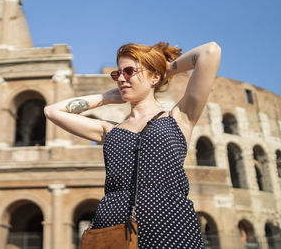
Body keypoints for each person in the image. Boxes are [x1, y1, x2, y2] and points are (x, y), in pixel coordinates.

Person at [44, 41, 221, 248]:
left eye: (129, 71)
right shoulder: (109, 130)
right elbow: (52, 111)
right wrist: (107, 97)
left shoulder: (180, 117)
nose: (121, 78)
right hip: (114, 229)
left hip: (172, 228)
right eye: (116, 73)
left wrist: (163, 69)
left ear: (154, 77)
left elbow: (210, 51)